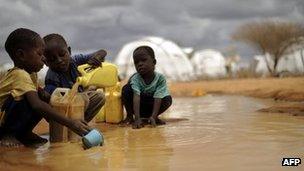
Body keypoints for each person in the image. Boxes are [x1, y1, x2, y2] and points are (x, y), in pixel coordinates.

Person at [0, 28, 91, 147]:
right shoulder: (19, 75)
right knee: (34, 102)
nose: (44, 58)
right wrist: (71, 123)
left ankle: (24, 133)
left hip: (9, 117)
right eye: (39, 54)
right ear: (21, 55)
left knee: (44, 96)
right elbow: (37, 105)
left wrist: (47, 97)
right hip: (2, 121)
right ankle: (8, 134)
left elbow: (40, 95)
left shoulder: (31, 73)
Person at [43, 33, 106, 122]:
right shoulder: (52, 76)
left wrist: (97, 57)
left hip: (77, 104)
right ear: (46, 62)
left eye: (62, 54)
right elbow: (53, 101)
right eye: (52, 59)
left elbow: (102, 51)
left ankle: (80, 123)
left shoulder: (74, 61)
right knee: (83, 98)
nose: (59, 60)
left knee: (99, 96)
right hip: (62, 112)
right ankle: (73, 125)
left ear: (69, 51)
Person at [121, 46, 172, 129]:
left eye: (144, 60)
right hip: (139, 107)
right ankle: (130, 117)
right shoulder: (135, 79)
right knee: (126, 89)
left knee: (167, 99)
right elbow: (136, 97)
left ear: (154, 62)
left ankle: (153, 117)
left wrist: (154, 116)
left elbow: (158, 97)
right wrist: (137, 118)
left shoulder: (160, 78)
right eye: (136, 62)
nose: (140, 64)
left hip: (152, 106)